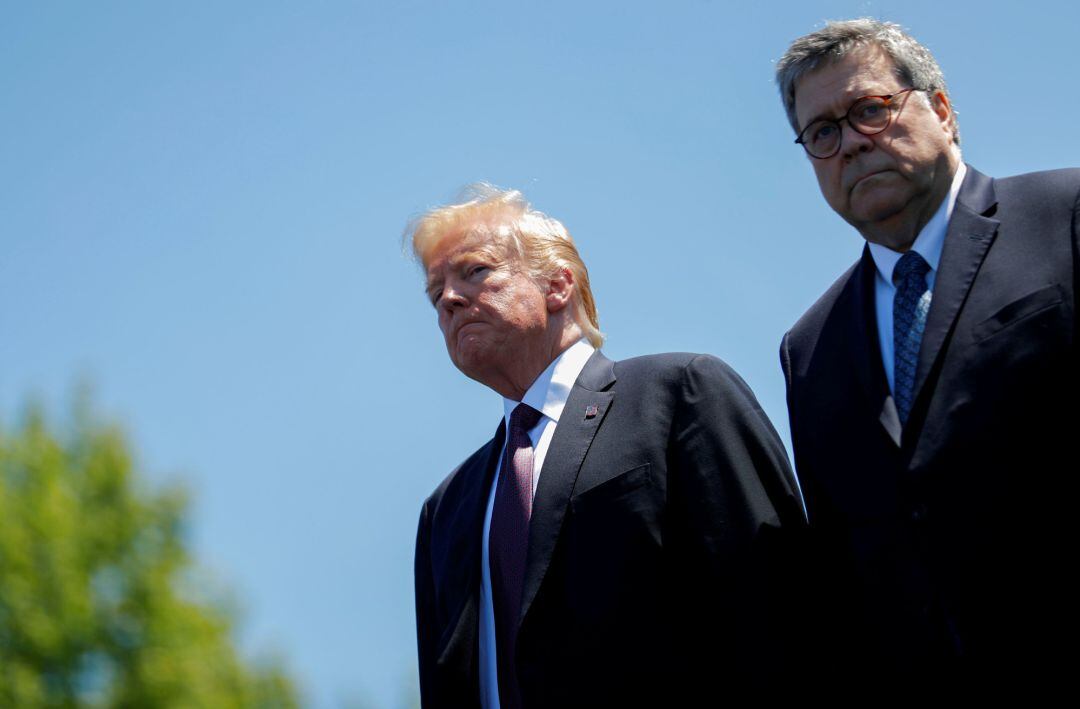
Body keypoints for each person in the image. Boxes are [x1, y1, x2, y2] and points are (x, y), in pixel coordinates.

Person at [409, 184, 803, 708]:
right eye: (437, 295)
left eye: (475, 272)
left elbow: (781, 611)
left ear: (558, 283)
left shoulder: (678, 395)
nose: (451, 300)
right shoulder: (446, 509)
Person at [775, 18, 1079, 695]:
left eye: (871, 110)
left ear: (941, 109)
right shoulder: (809, 348)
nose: (852, 142)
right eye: (823, 132)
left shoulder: (1064, 215)